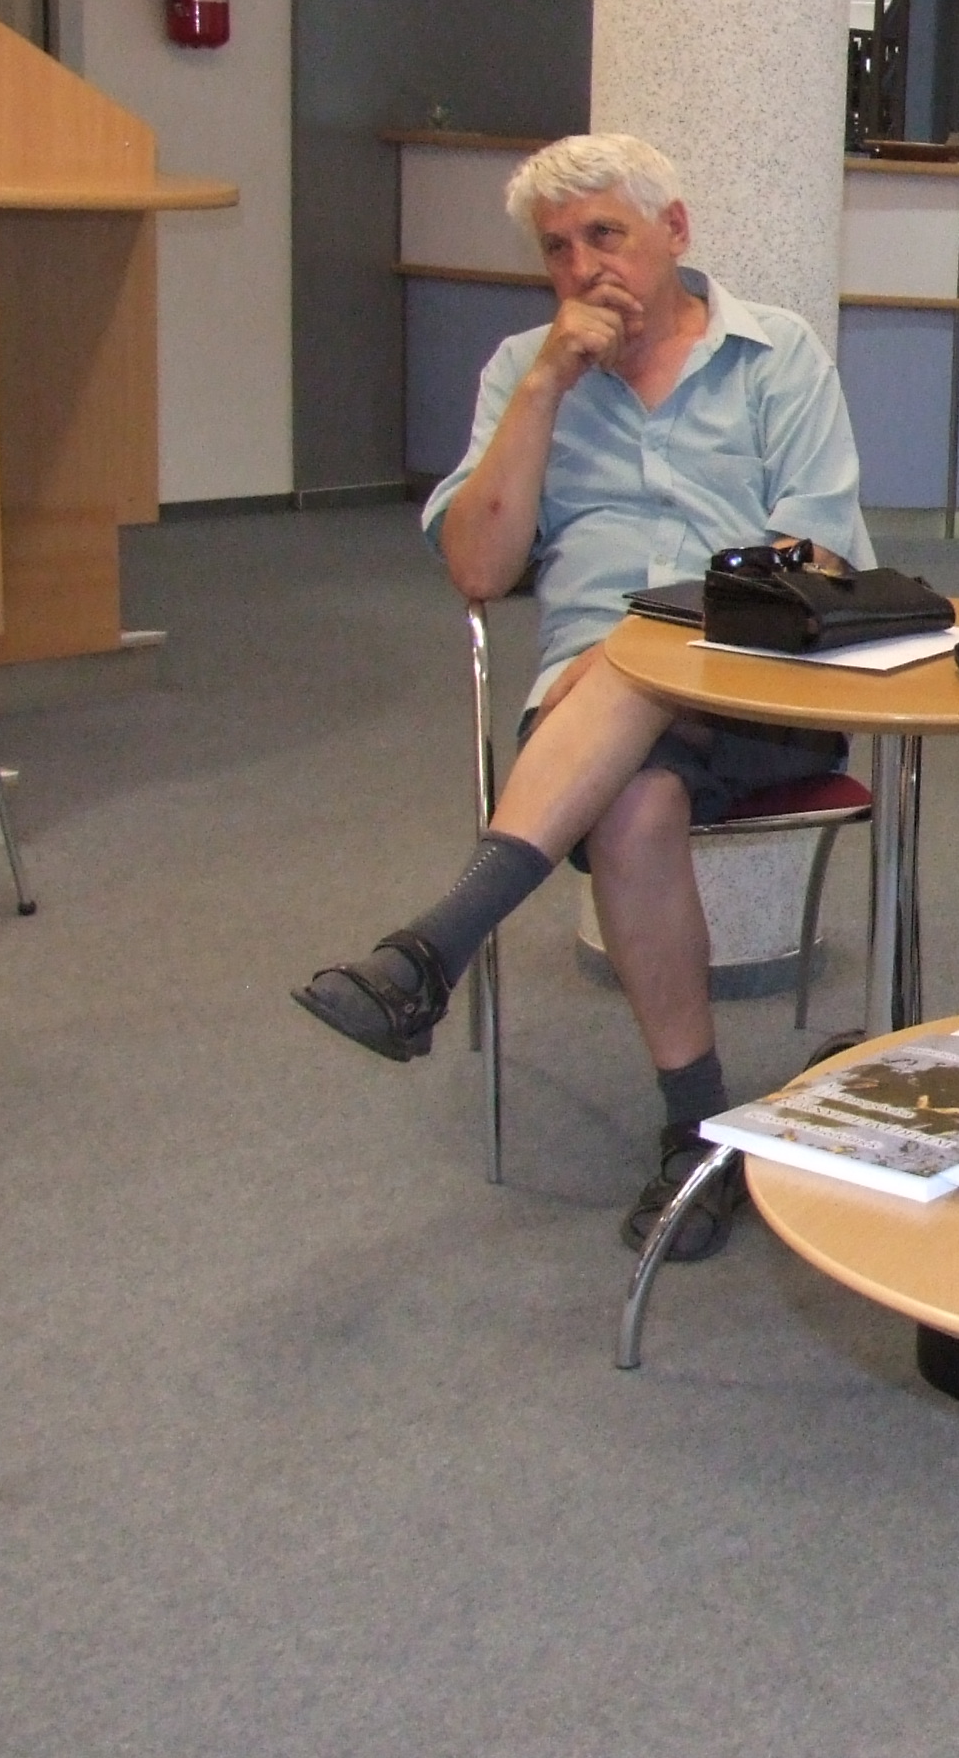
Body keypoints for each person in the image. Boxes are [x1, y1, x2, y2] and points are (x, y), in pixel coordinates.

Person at [292, 135, 870, 1263]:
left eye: (605, 234)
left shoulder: (775, 355)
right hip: (591, 716)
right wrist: (546, 387)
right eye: (557, 249)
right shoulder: (524, 370)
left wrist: (677, 625)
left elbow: (823, 553)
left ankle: (434, 949)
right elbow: (477, 568)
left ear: (674, 232)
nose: (581, 266)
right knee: (634, 803)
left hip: (761, 686)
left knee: (635, 652)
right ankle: (696, 1136)